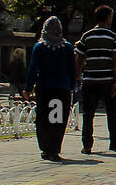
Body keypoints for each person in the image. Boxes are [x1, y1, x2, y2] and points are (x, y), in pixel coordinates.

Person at [75, 5, 116, 154]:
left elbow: (79, 58)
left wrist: (78, 75)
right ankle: (114, 141)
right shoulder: (113, 37)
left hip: (90, 80)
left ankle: (87, 145)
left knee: (88, 114)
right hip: (107, 80)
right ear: (107, 18)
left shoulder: (86, 36)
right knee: (111, 112)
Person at [24, 16, 77, 161]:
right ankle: (55, 148)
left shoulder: (40, 47)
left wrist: (28, 88)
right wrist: (71, 87)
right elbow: (72, 70)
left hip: (44, 88)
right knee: (57, 119)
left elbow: (33, 69)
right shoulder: (67, 47)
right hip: (61, 89)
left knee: (43, 120)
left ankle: (46, 148)